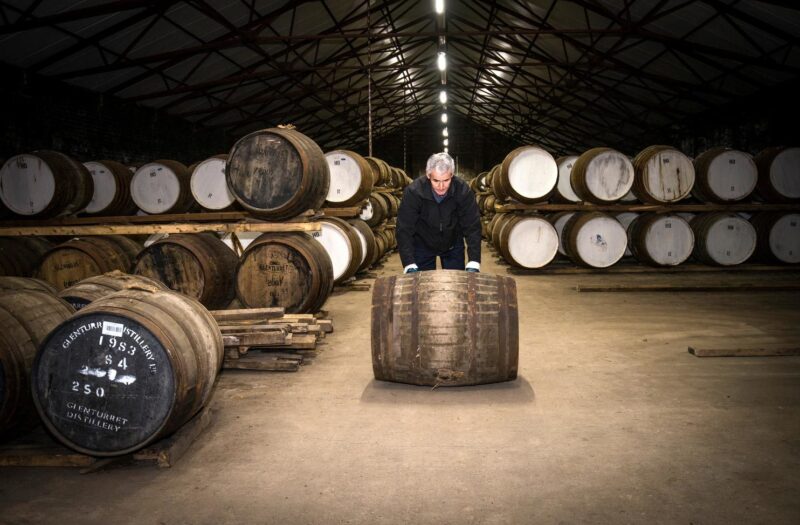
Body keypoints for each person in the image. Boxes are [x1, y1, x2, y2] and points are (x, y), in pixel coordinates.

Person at [396, 152, 482, 274]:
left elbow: (472, 225)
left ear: (452, 175)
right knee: (422, 288)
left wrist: (474, 260)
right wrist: (408, 262)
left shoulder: (463, 191)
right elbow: (404, 228)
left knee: (455, 286)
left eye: (446, 180)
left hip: (453, 244)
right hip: (422, 244)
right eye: (436, 180)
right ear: (428, 175)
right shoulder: (414, 192)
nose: (441, 186)